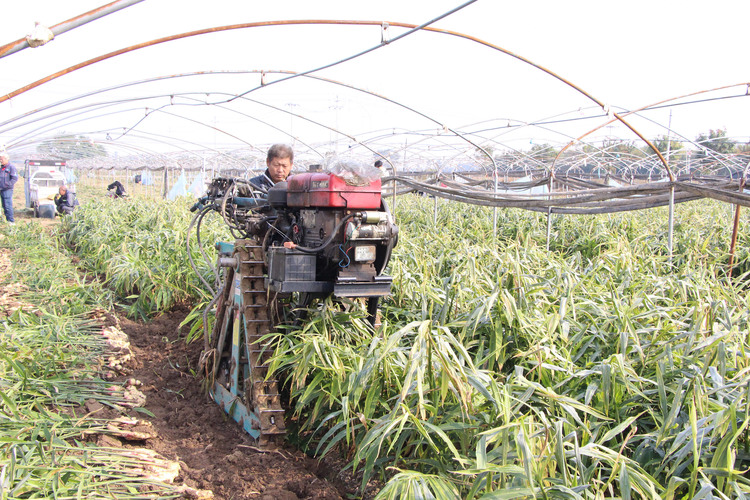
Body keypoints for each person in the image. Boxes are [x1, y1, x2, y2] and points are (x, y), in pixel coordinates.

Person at [0, 152, 18, 224]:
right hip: (2, 189)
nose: (0, 160)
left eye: (1, 159)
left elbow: (14, 178)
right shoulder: (2, 168)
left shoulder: (11, 167)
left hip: (7, 190)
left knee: (8, 205)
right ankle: (8, 221)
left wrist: (7, 184)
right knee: (4, 206)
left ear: (6, 159)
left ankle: (11, 221)